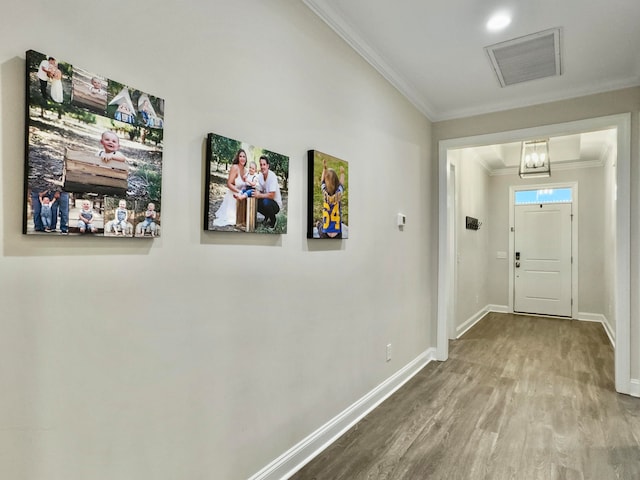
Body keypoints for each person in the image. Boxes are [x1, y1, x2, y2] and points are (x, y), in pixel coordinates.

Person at [212, 149, 248, 227]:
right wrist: (239, 191)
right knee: (233, 219)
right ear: (238, 158)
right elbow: (228, 184)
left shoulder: (246, 171)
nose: (242, 158)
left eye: (244, 156)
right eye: (240, 156)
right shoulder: (235, 167)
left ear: (246, 158)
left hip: (242, 195)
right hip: (233, 194)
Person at [317, 159, 346, 238]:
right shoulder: (339, 193)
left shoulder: (324, 192)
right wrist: (342, 173)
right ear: (337, 182)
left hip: (325, 232)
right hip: (337, 233)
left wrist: (324, 168)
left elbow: (322, 181)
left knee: (319, 225)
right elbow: (342, 184)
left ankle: (318, 225)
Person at [254, 155, 282, 229]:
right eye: (261, 164)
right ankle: (267, 216)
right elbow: (259, 190)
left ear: (268, 166)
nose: (262, 167)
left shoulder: (272, 176)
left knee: (265, 202)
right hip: (267, 200)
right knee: (255, 201)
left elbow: (272, 195)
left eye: (264, 164)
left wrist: (259, 195)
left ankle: (273, 220)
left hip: (275, 205)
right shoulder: (260, 176)